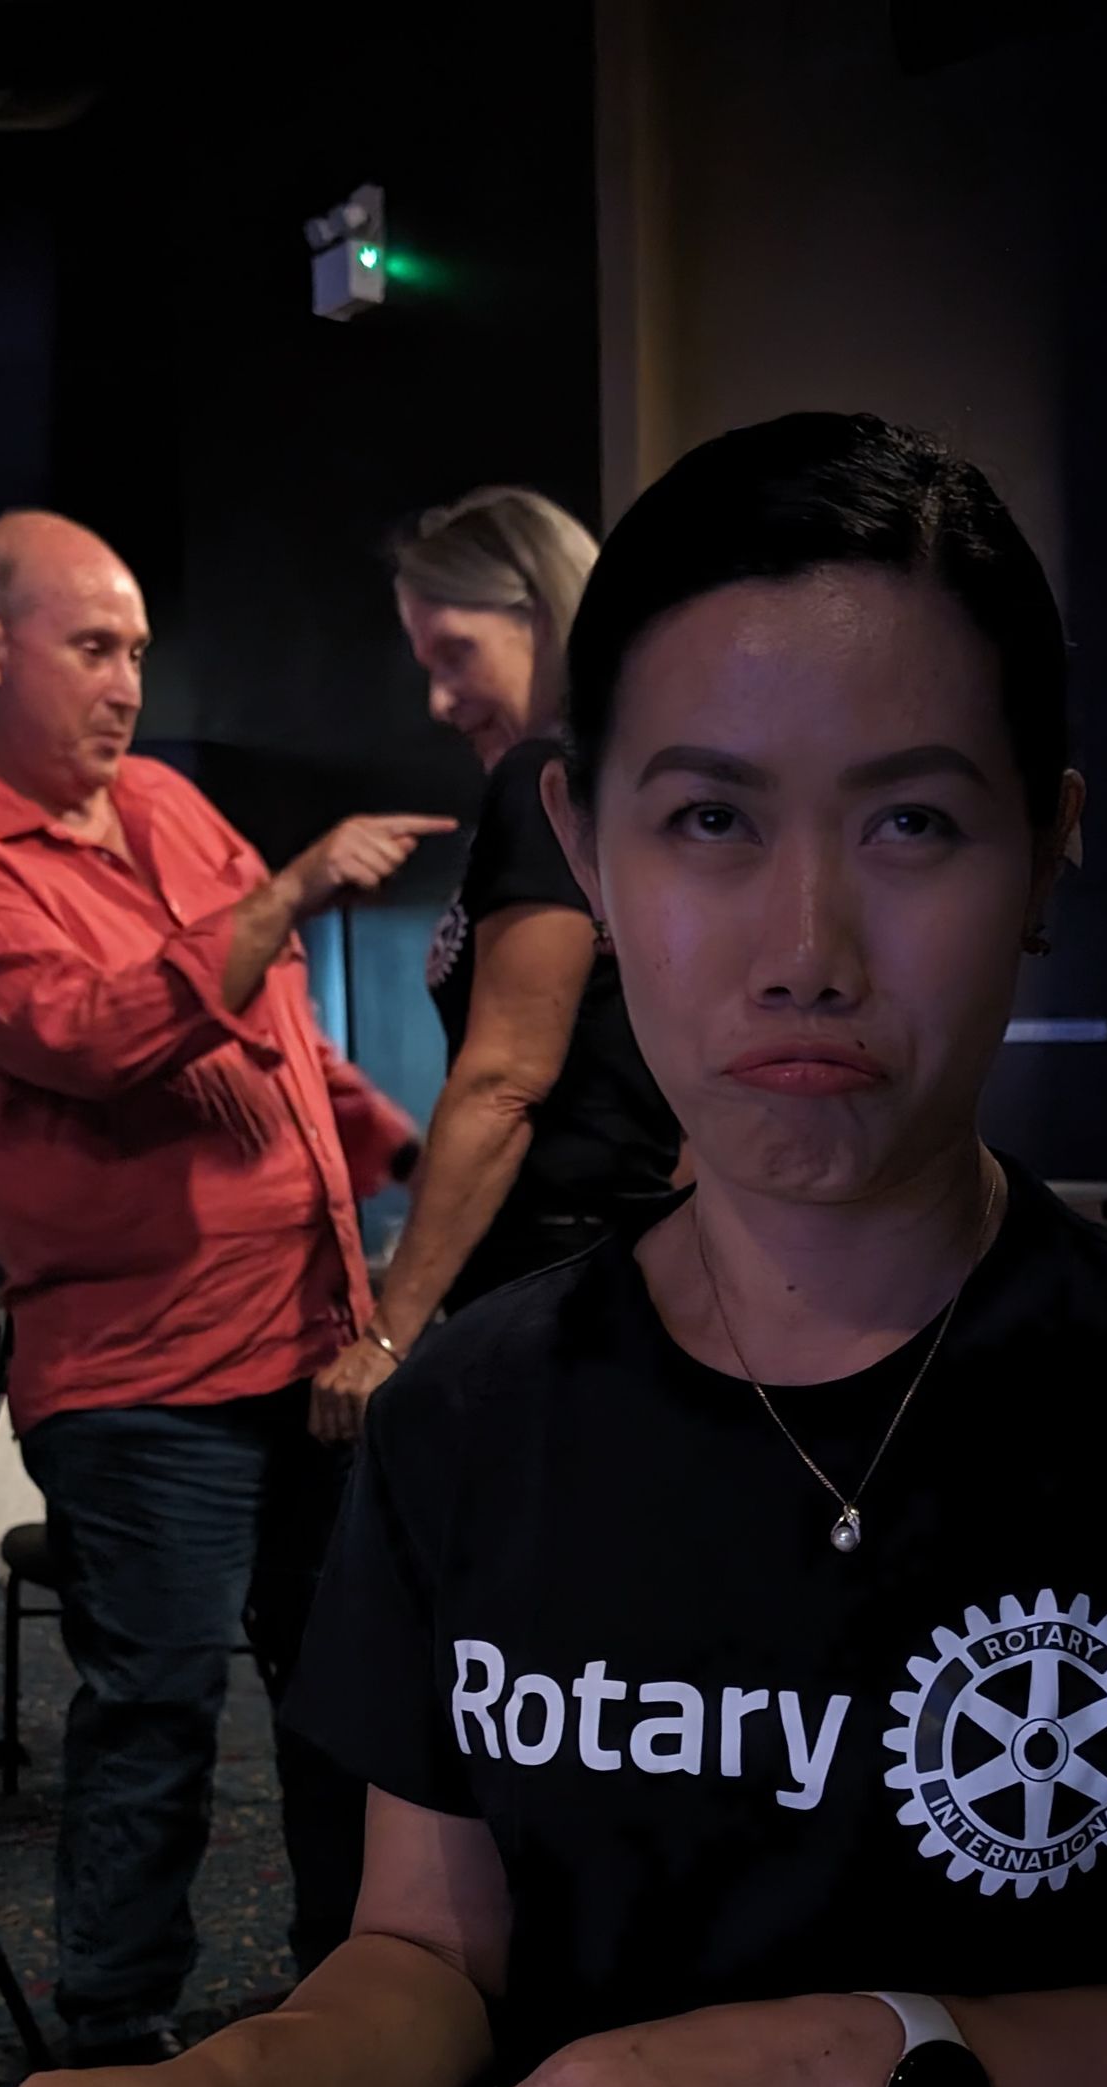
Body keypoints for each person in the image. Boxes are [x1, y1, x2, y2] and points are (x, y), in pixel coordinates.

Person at [0, 413, 1107, 2087]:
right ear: (588, 848)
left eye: (912, 825)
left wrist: (837, 2049)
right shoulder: (478, 1421)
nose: (807, 949)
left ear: (1046, 849)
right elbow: (426, 1962)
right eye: (709, 821)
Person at [0, 510, 451, 2062]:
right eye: (94, 647)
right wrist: (298, 887)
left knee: (346, 1701)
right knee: (156, 1716)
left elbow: (282, 1039)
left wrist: (408, 1163)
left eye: (136, 648)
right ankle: (114, 2034)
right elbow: (96, 1033)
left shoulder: (174, 808)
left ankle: (354, 1997)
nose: (128, 681)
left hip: (312, 1336)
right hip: (142, 1379)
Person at [309, 486, 681, 1443]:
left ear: (544, 618)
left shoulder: (541, 782)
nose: (437, 700)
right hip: (618, 1281)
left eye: (454, 654)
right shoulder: (631, 785)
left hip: (555, 1287)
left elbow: (507, 1079)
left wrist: (388, 1339)